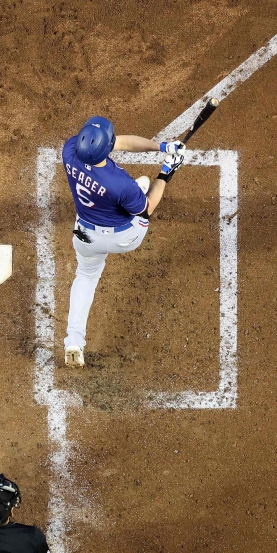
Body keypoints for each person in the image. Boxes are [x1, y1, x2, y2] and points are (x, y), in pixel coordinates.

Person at [62, 115, 187, 367]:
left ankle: (73, 343)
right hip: (125, 238)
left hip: (87, 237)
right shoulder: (121, 185)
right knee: (141, 197)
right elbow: (148, 208)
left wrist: (162, 146)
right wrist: (167, 171)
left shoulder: (70, 150)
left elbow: (123, 143)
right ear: (105, 148)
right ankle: (142, 189)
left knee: (85, 277)